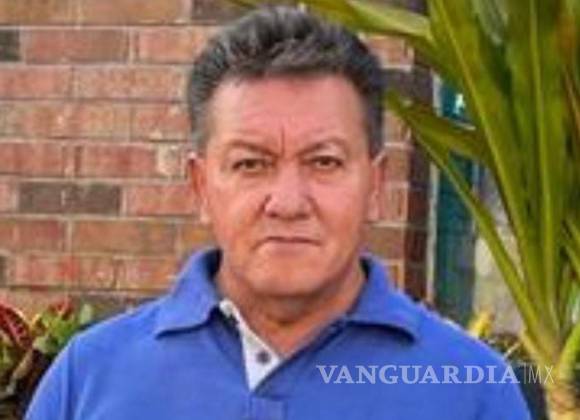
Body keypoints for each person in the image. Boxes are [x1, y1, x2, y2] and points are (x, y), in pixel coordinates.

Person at [26, 6, 531, 420]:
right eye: (251, 163)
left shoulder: (472, 390)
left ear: (375, 185)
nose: (288, 203)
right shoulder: (88, 377)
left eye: (324, 162)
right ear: (200, 186)